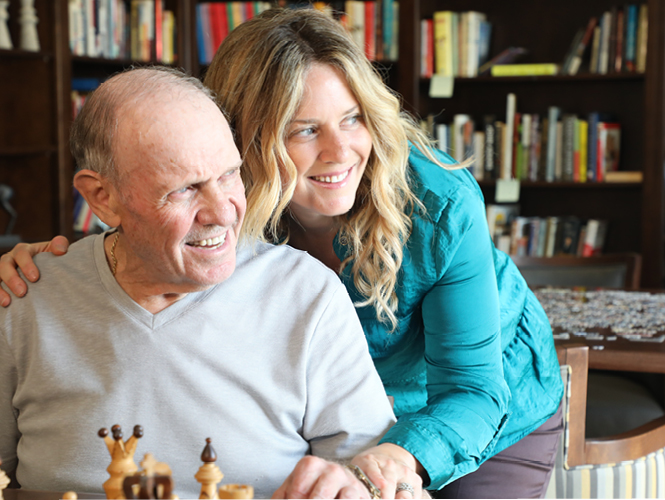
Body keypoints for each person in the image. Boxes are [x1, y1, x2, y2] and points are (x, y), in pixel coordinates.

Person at [1, 8, 564, 499]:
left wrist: (386, 459)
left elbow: (471, 390)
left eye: (353, 118)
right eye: (304, 130)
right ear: (245, 139)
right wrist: (44, 267)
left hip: (478, 400)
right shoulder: (229, 194)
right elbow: (144, 210)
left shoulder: (435, 201)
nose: (342, 151)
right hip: (355, 414)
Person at [0, 66, 400, 500]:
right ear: (102, 197)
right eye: (185, 189)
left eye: (230, 174)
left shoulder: (307, 295)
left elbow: (372, 479)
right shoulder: (22, 295)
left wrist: (360, 485)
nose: (223, 212)